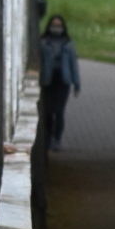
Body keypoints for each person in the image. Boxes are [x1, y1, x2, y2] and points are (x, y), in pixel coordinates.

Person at [39, 13, 80, 149]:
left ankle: (57, 139)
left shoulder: (68, 44)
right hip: (48, 80)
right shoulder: (43, 42)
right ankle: (48, 137)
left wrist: (77, 84)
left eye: (59, 26)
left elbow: (74, 65)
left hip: (63, 81)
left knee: (59, 111)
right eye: (54, 25)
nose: (56, 28)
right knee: (48, 112)